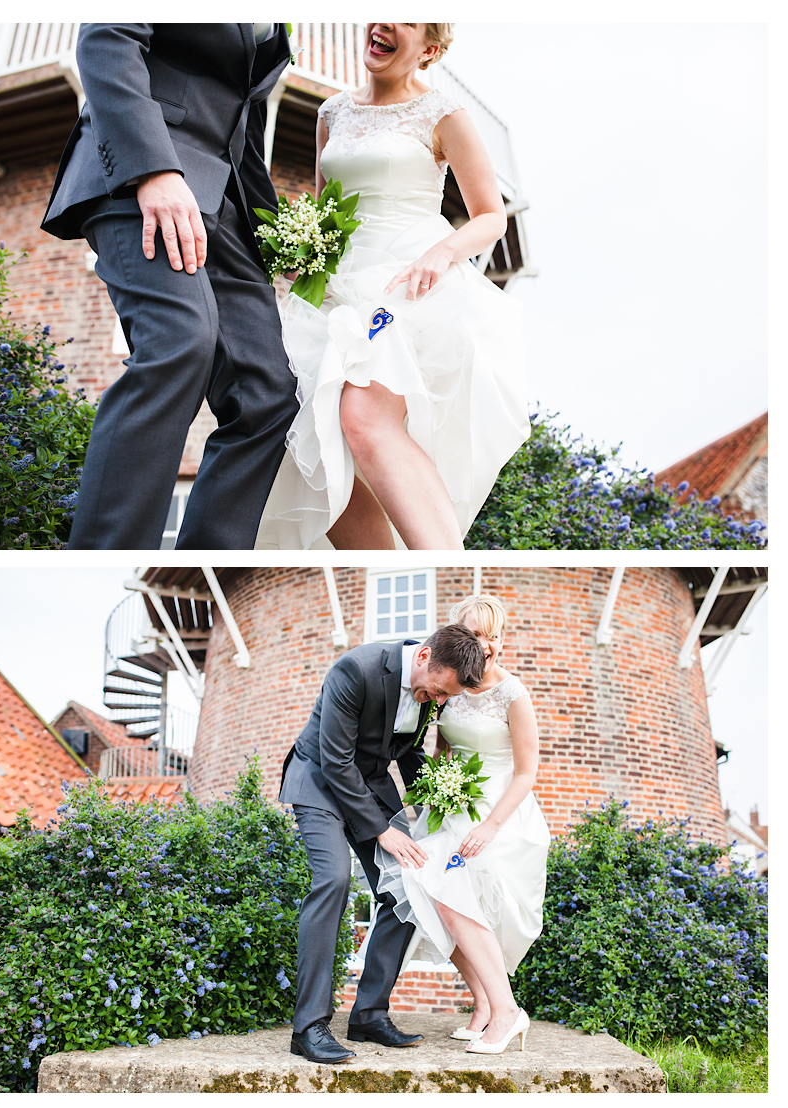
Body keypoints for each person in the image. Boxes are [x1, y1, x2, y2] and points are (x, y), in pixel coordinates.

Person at [255, 23, 529, 550]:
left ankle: (445, 559)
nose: (382, 24)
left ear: (428, 48)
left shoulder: (444, 112)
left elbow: (491, 216)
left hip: (403, 285)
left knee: (362, 412)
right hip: (333, 290)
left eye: (403, 19)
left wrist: (442, 252)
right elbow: (325, 207)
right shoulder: (330, 113)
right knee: (311, 432)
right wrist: (302, 250)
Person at [41, 24, 298, 550]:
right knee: (180, 340)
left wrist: (280, 236)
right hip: (142, 171)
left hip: (225, 203)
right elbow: (106, 36)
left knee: (269, 395)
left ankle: (214, 554)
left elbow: (242, 128)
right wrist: (153, 168)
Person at [277, 622, 487, 1063]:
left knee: (410, 885)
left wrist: (438, 804)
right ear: (425, 657)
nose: (439, 703)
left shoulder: (433, 689)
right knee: (334, 881)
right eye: (437, 692)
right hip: (318, 781)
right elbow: (336, 760)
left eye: (446, 697)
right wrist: (381, 829)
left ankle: (369, 1014)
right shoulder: (357, 668)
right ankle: (309, 1027)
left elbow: (407, 752)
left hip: (370, 787)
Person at [371, 595, 548, 1054]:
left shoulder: (514, 693)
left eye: (491, 635)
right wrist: (430, 797)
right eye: (473, 634)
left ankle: (504, 1011)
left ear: (501, 642)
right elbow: (440, 754)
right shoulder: (448, 688)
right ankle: (489, 1006)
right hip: (452, 808)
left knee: (450, 897)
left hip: (499, 812)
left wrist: (489, 825)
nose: (483, 644)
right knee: (430, 895)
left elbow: (527, 772)